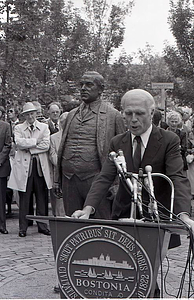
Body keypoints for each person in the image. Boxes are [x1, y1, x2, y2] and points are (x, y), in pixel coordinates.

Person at [72, 89, 194, 235]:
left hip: (157, 219)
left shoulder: (169, 140)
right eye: (128, 114)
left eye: (140, 113)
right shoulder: (117, 142)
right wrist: (87, 208)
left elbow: (177, 178)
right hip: (124, 217)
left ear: (151, 112)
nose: (133, 119)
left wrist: (183, 216)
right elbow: (104, 178)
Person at [57, 71, 125, 219]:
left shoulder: (113, 116)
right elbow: (62, 147)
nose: (83, 88)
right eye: (81, 84)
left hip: (96, 179)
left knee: (100, 227)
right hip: (69, 179)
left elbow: (122, 153)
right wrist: (58, 179)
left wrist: (117, 184)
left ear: (101, 89)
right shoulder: (71, 114)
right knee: (72, 228)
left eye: (89, 84)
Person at [8, 102, 52, 237]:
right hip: (24, 168)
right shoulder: (19, 128)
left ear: (36, 114)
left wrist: (30, 147)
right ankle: (23, 228)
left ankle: (42, 226)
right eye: (27, 114)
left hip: (39, 168)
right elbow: (19, 143)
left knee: (41, 198)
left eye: (32, 113)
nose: (30, 116)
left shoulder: (44, 127)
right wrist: (35, 142)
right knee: (24, 199)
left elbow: (46, 145)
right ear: (24, 116)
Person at [49, 112, 68, 216]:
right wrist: (64, 164)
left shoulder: (77, 137)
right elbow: (52, 155)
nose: (65, 124)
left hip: (73, 174)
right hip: (59, 174)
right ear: (60, 123)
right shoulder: (53, 138)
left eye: (67, 122)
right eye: (63, 122)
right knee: (59, 203)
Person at [0, 106, 12, 234]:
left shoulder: (6, 126)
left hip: (1, 167)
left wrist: (0, 160)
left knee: (1, 198)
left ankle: (2, 225)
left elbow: (8, 145)